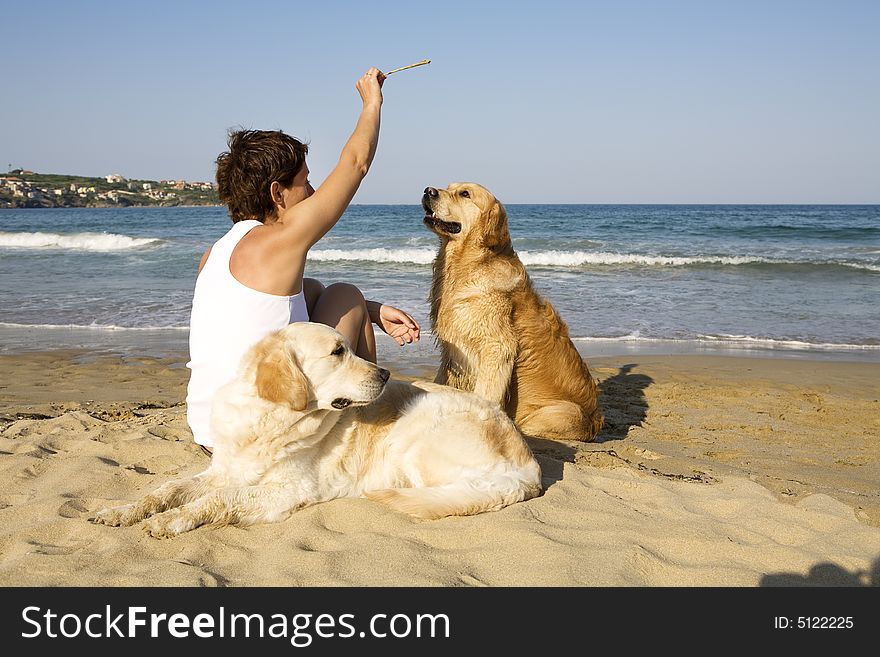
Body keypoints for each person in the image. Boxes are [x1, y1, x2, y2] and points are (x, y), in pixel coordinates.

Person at [186, 67, 420, 455]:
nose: (313, 191)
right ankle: (366, 423)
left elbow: (272, 308)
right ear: (278, 194)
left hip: (211, 430)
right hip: (260, 437)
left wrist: (372, 311)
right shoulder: (282, 239)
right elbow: (355, 164)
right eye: (306, 181)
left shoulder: (214, 254)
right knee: (345, 293)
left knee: (314, 290)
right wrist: (372, 102)